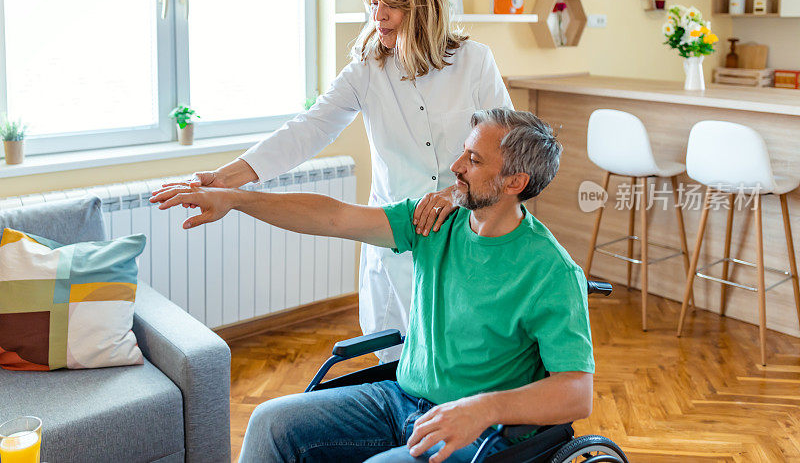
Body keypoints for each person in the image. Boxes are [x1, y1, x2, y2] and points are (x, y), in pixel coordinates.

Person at [153, 109, 594, 463]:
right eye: (463, 152)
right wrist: (234, 199)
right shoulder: (435, 219)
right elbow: (334, 216)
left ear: (515, 182)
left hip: (484, 431)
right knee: (271, 422)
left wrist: (483, 408)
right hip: (401, 398)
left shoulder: (551, 272)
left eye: (474, 161)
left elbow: (576, 391)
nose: (456, 167)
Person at [151, 0, 513, 361]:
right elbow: (309, 129)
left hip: (465, 229)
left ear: (423, 7)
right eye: (372, 3)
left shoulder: (474, 62)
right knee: (395, 359)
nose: (377, 16)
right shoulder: (366, 70)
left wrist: (456, 195)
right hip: (395, 235)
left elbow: (503, 144)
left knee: (466, 358)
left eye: (390, 5)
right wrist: (224, 178)